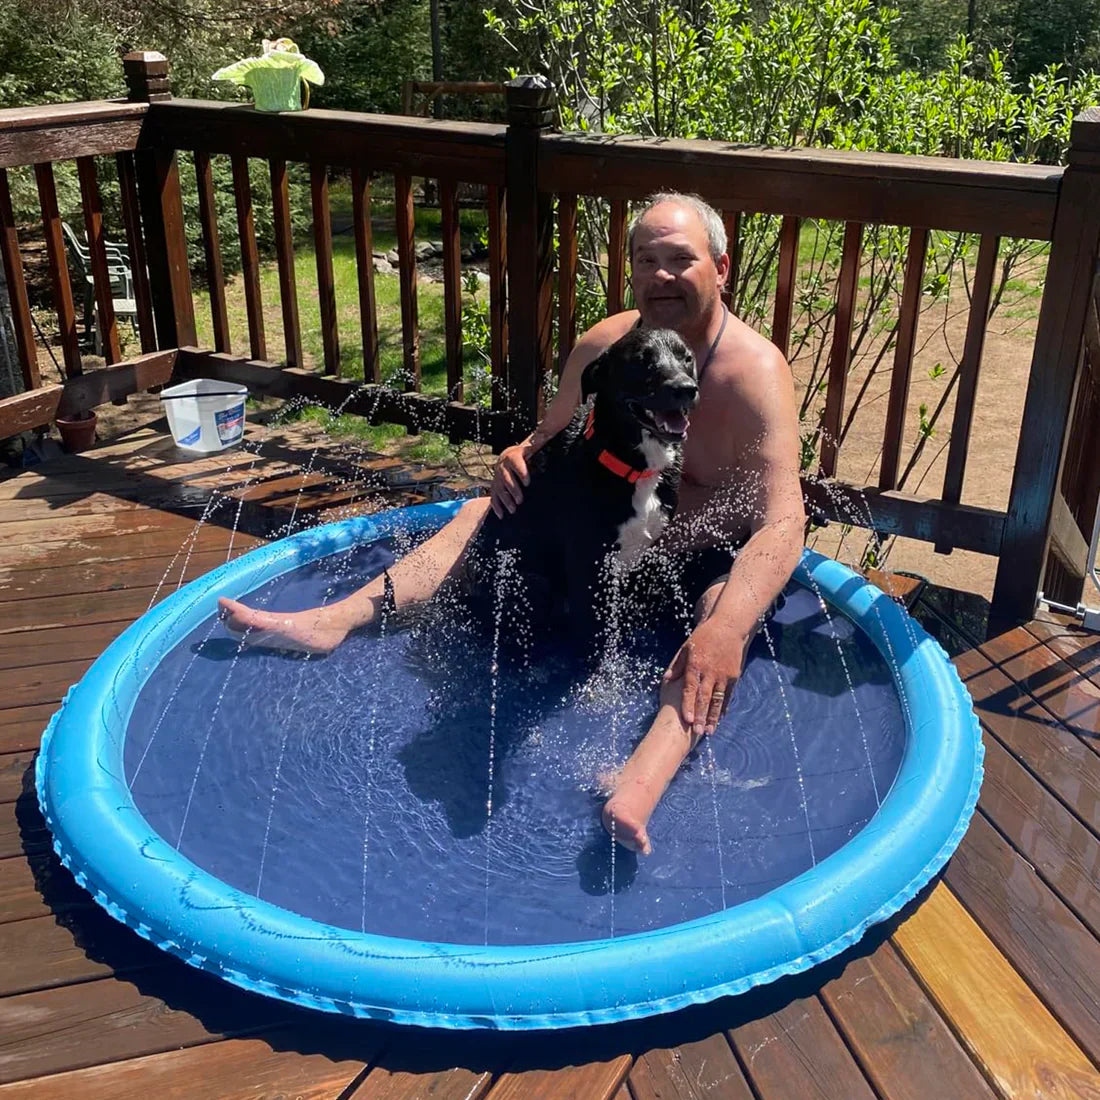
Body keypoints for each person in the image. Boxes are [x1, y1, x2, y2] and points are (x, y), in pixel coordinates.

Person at [219, 192, 806, 856]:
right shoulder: (606, 347)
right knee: (481, 511)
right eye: (647, 260)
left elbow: (784, 520)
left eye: (681, 259)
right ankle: (338, 619)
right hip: (604, 551)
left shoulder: (754, 375)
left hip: (695, 561)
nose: (661, 275)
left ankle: (643, 779)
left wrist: (727, 628)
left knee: (724, 613)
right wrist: (515, 456)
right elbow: (548, 439)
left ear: (721, 268)